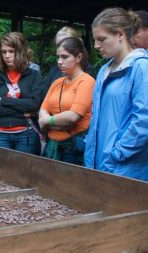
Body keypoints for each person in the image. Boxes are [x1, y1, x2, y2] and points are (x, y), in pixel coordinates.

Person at [84, 7, 148, 181]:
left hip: (125, 168)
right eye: (95, 39)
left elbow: (144, 120)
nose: (96, 45)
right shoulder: (104, 70)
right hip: (98, 164)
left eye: (102, 39)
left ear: (120, 35)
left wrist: (118, 153)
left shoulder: (141, 67)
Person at [0, 32, 43, 155]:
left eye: (11, 51)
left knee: (26, 173)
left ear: (21, 51)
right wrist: (23, 110)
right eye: (4, 52)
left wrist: (3, 101)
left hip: (26, 134)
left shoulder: (33, 75)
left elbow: (35, 104)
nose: (7, 55)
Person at [39, 37, 95, 165]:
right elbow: (43, 108)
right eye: (58, 57)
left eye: (64, 57)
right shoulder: (57, 82)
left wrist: (47, 121)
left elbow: (72, 116)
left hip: (73, 149)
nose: (59, 61)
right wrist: (58, 123)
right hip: (52, 147)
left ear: (78, 57)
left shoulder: (87, 82)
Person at [43, 27, 94, 97]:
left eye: (65, 43)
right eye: (58, 45)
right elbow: (44, 96)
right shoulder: (55, 70)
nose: (61, 47)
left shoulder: (87, 70)